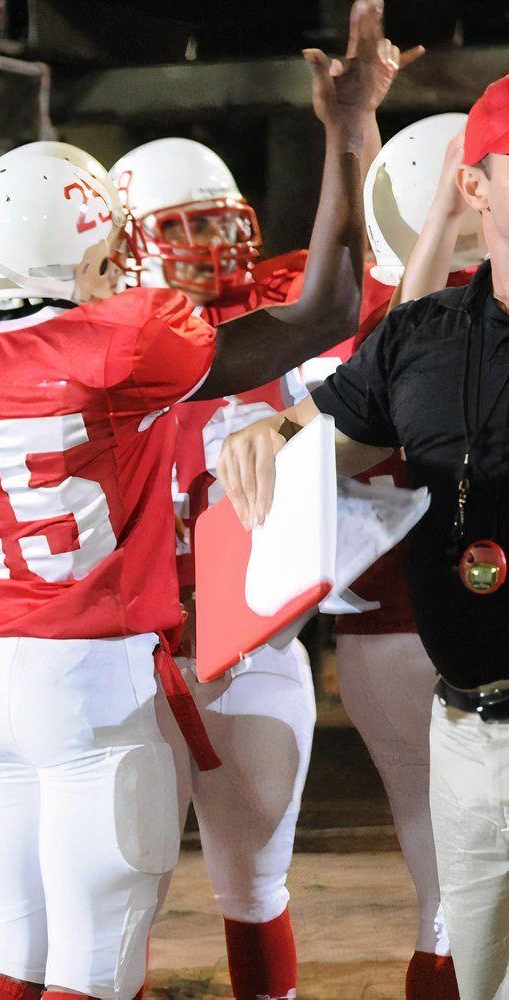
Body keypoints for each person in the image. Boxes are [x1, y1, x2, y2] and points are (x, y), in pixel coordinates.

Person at [0, 12, 398, 990]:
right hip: (92, 684)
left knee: (6, 953)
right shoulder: (126, 341)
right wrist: (346, 132)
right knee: (93, 961)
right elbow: (323, 306)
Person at [219, 74, 509, 1000]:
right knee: (469, 943)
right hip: (467, 713)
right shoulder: (423, 335)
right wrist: (271, 435)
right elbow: (326, 423)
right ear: (477, 187)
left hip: (410, 653)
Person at [107, 132, 336, 1000]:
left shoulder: (278, 332)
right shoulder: (98, 344)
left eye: (221, 222)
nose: (213, 247)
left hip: (253, 640)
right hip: (132, 651)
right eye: (185, 226)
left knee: (256, 885)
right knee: (125, 893)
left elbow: (360, 363)